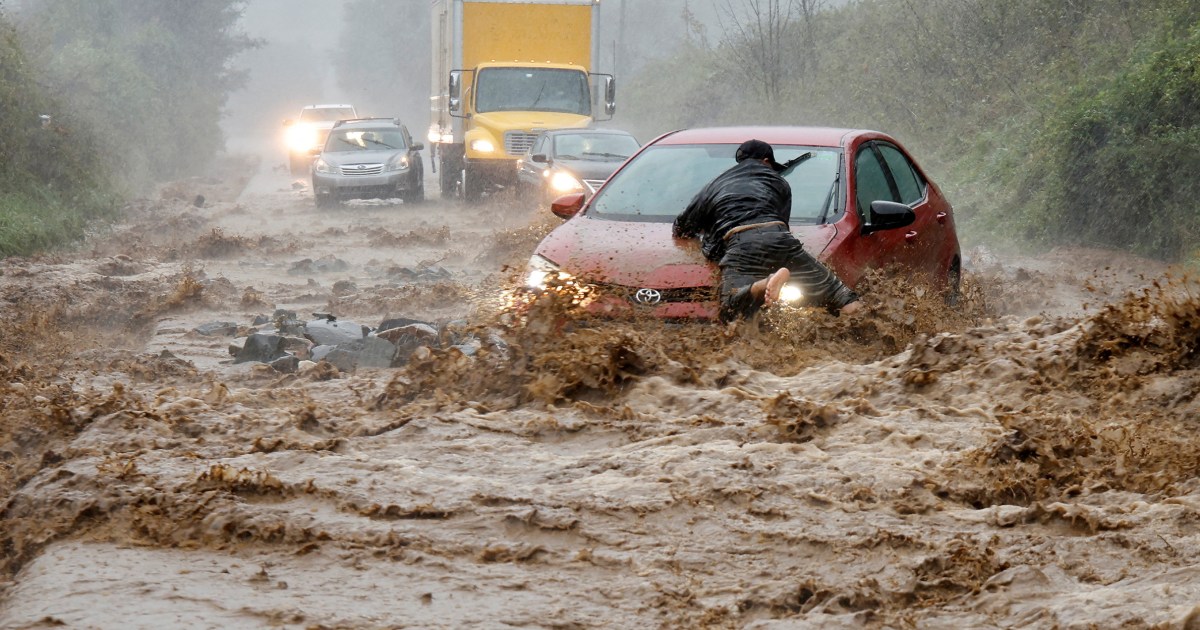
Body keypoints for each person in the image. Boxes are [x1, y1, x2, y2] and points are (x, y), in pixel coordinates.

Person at [673, 139, 862, 323]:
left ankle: (765, 283)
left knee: (729, 308)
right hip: (780, 236)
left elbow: (682, 227)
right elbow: (780, 225)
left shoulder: (714, 185)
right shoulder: (779, 182)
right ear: (766, 161)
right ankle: (865, 329)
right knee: (840, 294)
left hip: (742, 241)